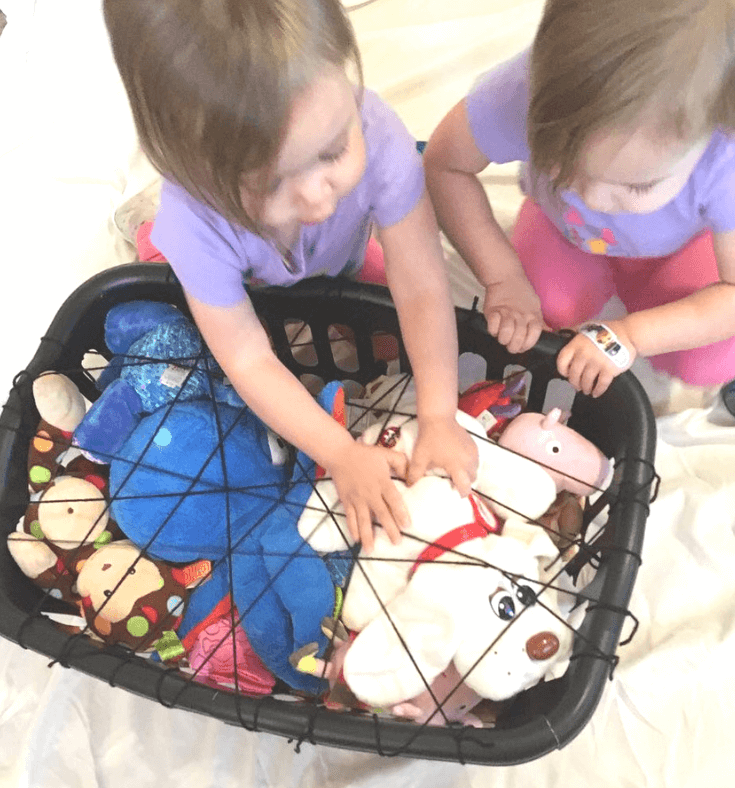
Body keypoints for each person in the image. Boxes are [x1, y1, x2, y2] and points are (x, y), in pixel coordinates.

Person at [103, 0, 477, 553]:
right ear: (191, 171)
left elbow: (422, 283)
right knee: (171, 308)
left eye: (332, 151)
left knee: (388, 318)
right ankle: (148, 232)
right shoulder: (197, 220)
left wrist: (439, 414)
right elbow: (248, 357)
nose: (318, 197)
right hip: (242, 285)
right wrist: (340, 452)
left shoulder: (376, 133)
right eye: (270, 183)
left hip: (337, 267)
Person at [424, 0, 735, 401]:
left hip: (677, 250)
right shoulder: (527, 87)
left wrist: (631, 335)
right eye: (559, 162)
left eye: (638, 186)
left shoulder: (724, 156)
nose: (591, 197)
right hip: (562, 231)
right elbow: (444, 164)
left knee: (708, 361)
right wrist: (502, 275)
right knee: (539, 310)